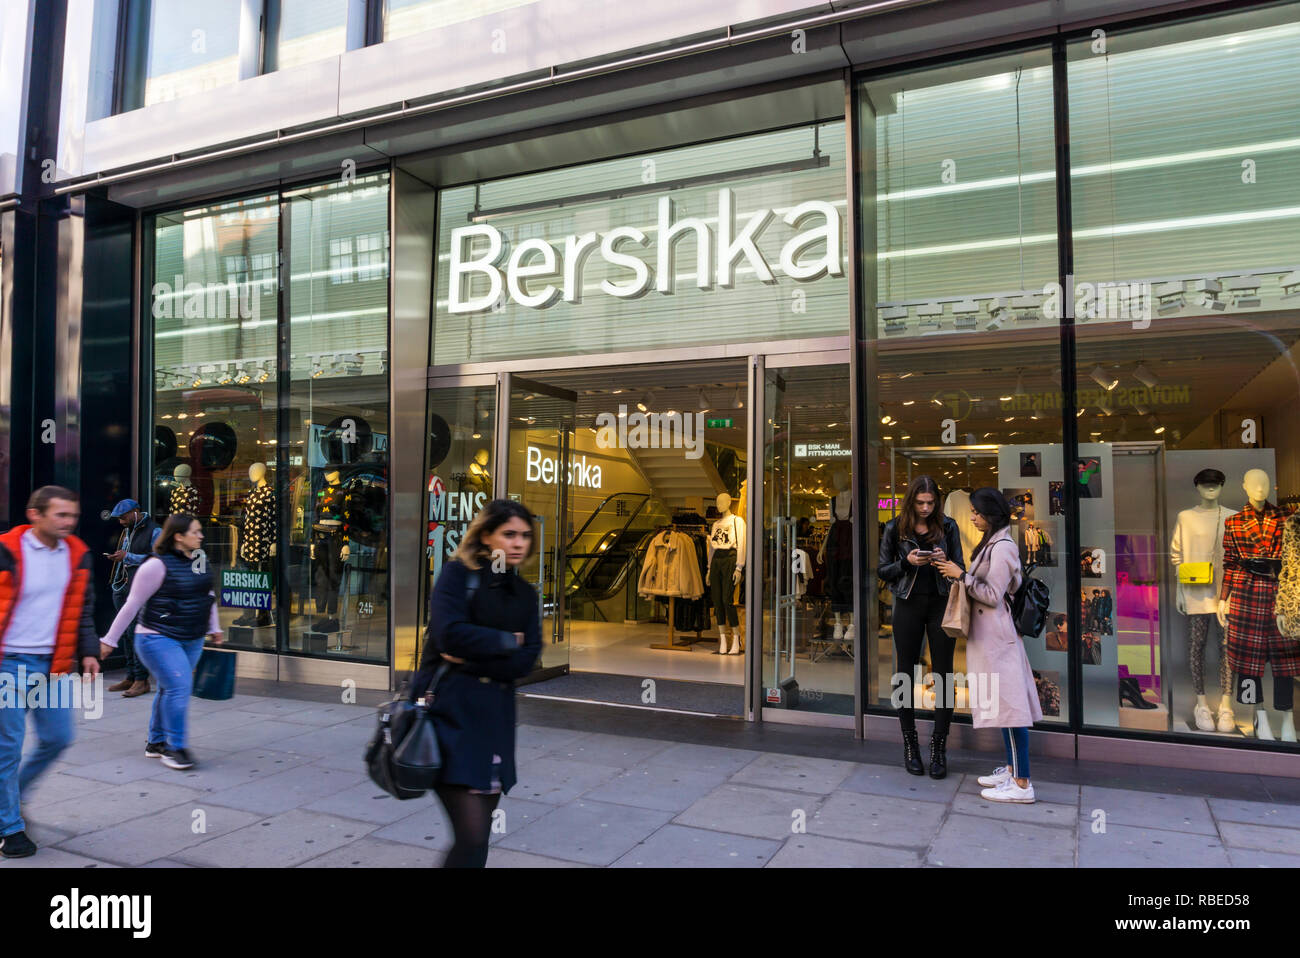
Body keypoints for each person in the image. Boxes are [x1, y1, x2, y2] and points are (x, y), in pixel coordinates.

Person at [419, 499, 542, 868]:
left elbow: (528, 659)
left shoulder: (524, 594)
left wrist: (474, 653)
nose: (518, 543)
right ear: (486, 535)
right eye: (509, 534)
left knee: (477, 840)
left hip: (494, 724)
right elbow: (448, 635)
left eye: (525, 536)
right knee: (471, 838)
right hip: (450, 717)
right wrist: (506, 642)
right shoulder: (459, 575)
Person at [0, 486, 101, 859]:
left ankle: (11, 798)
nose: (69, 522)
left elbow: (82, 609)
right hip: (7, 662)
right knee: (6, 747)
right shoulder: (6, 549)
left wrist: (88, 651)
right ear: (35, 514)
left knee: (58, 737)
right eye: (60, 515)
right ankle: (9, 828)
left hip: (52, 665)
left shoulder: (78, 555)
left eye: (72, 515)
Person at [935, 488, 1042, 804]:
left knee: (1011, 710)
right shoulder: (994, 544)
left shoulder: (1004, 547)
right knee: (1003, 706)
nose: (971, 518)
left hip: (998, 638)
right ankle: (1012, 770)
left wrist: (961, 575)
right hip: (990, 637)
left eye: (976, 513)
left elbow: (992, 594)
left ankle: (1022, 783)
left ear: (991, 515)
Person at [99, 514, 222, 770]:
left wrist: (214, 627)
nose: (201, 536)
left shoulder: (199, 560)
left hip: (192, 637)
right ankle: (174, 747)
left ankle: (155, 742)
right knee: (179, 687)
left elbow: (207, 594)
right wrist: (109, 639)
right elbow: (131, 605)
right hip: (157, 636)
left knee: (169, 687)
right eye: (195, 532)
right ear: (178, 536)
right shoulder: (156, 565)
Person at [878, 476, 965, 778]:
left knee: (943, 673)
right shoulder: (894, 527)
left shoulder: (949, 526)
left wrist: (945, 561)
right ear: (911, 500)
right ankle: (910, 744)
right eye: (921, 502)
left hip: (941, 604)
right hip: (908, 604)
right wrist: (907, 562)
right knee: (904, 673)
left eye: (931, 502)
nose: (926, 508)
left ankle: (938, 747)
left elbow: (961, 569)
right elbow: (882, 570)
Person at [106, 499, 159, 697]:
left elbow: (158, 558)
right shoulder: (128, 529)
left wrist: (128, 557)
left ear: (136, 511)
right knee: (126, 633)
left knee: (134, 631)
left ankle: (141, 679)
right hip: (122, 586)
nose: (121, 521)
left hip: (139, 588)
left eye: (123, 517)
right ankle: (130, 676)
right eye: (119, 518)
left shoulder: (154, 530)